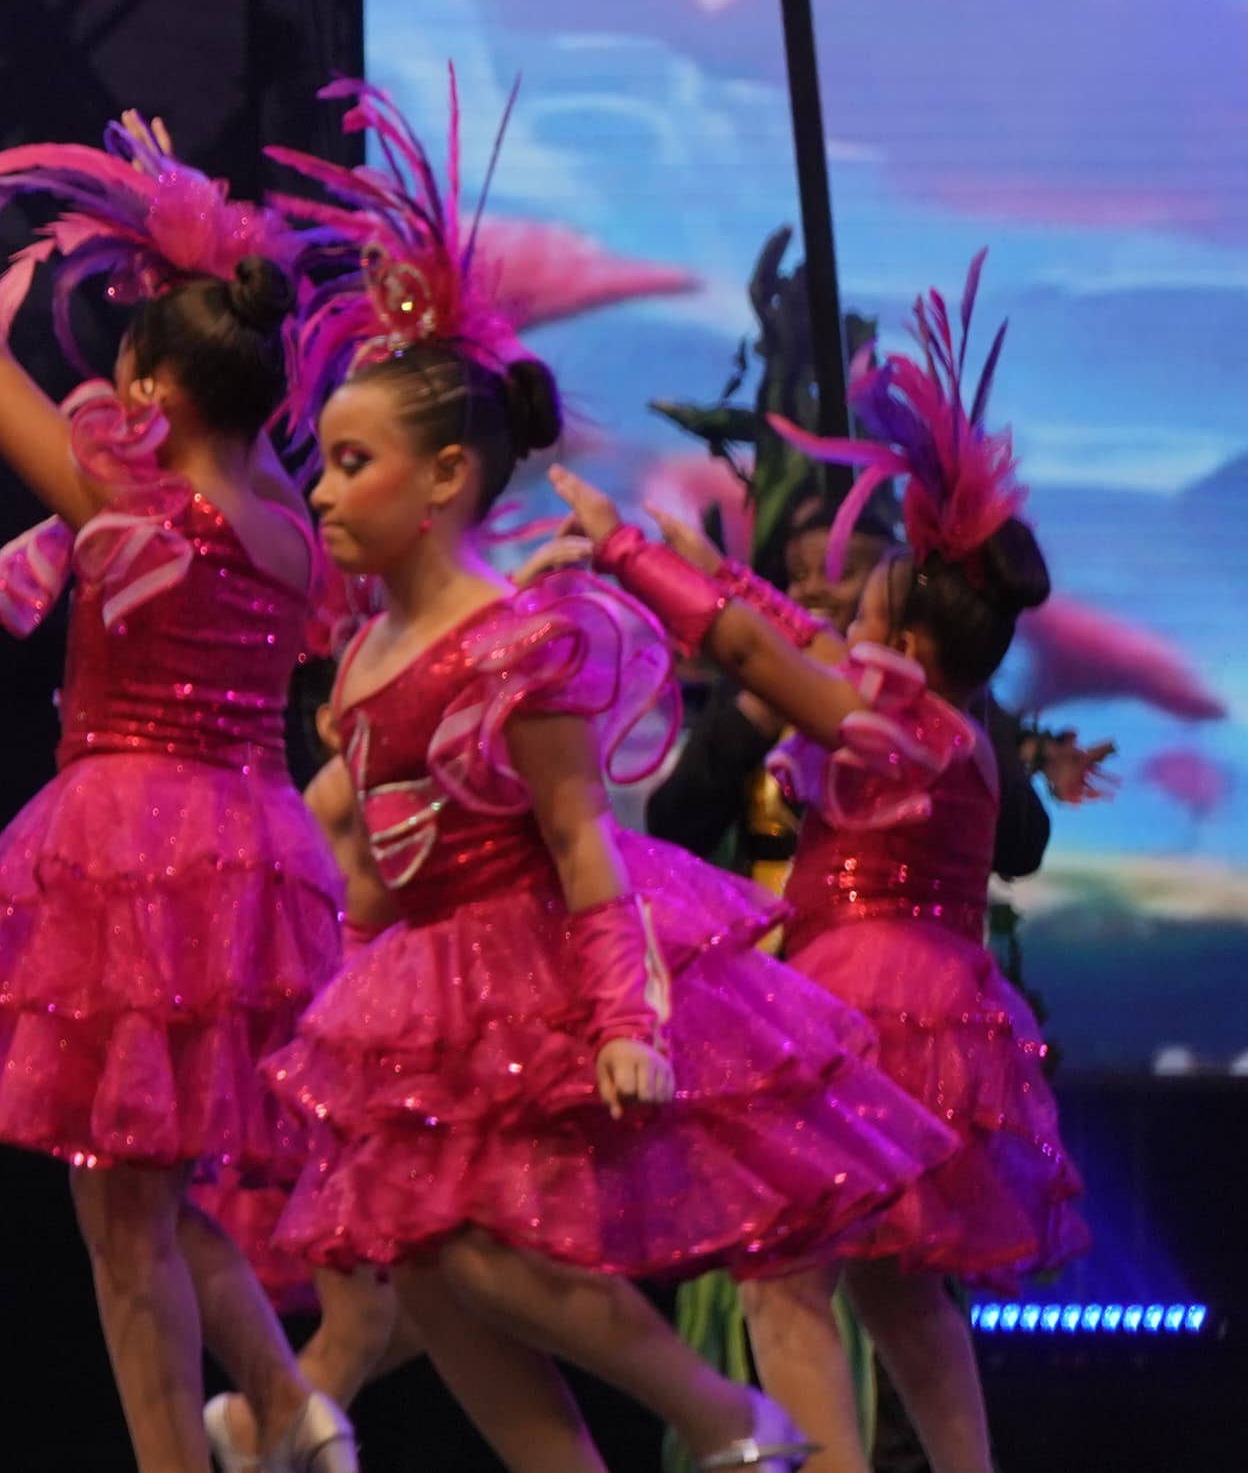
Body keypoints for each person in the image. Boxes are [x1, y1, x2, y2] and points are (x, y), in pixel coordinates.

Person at [262, 79, 948, 1473]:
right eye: (321, 465)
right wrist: (345, 1003)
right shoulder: (362, 659)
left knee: (484, 1250)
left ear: (448, 475)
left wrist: (625, 1017)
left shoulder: (521, 640)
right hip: (419, 989)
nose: (323, 492)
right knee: (433, 1270)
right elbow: (373, 858)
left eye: (351, 464)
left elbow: (582, 843)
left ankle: (728, 1417)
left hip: (539, 971)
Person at [0, 121, 359, 1473]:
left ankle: (218, 1438)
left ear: (150, 378)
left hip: (133, 844)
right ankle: (283, 1401)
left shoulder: (129, 497)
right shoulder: (291, 529)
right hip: (250, 851)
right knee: (141, 1178)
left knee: (123, 1205)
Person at [564, 268, 1089, 1473]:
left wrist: (625, 549)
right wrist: (702, 572)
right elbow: (776, 623)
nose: (838, 610)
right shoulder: (953, 727)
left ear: (902, 645)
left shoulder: (895, 718)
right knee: (894, 1290)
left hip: (854, 1005)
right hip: (925, 1003)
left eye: (863, 600)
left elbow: (750, 641)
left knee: (780, 1267)